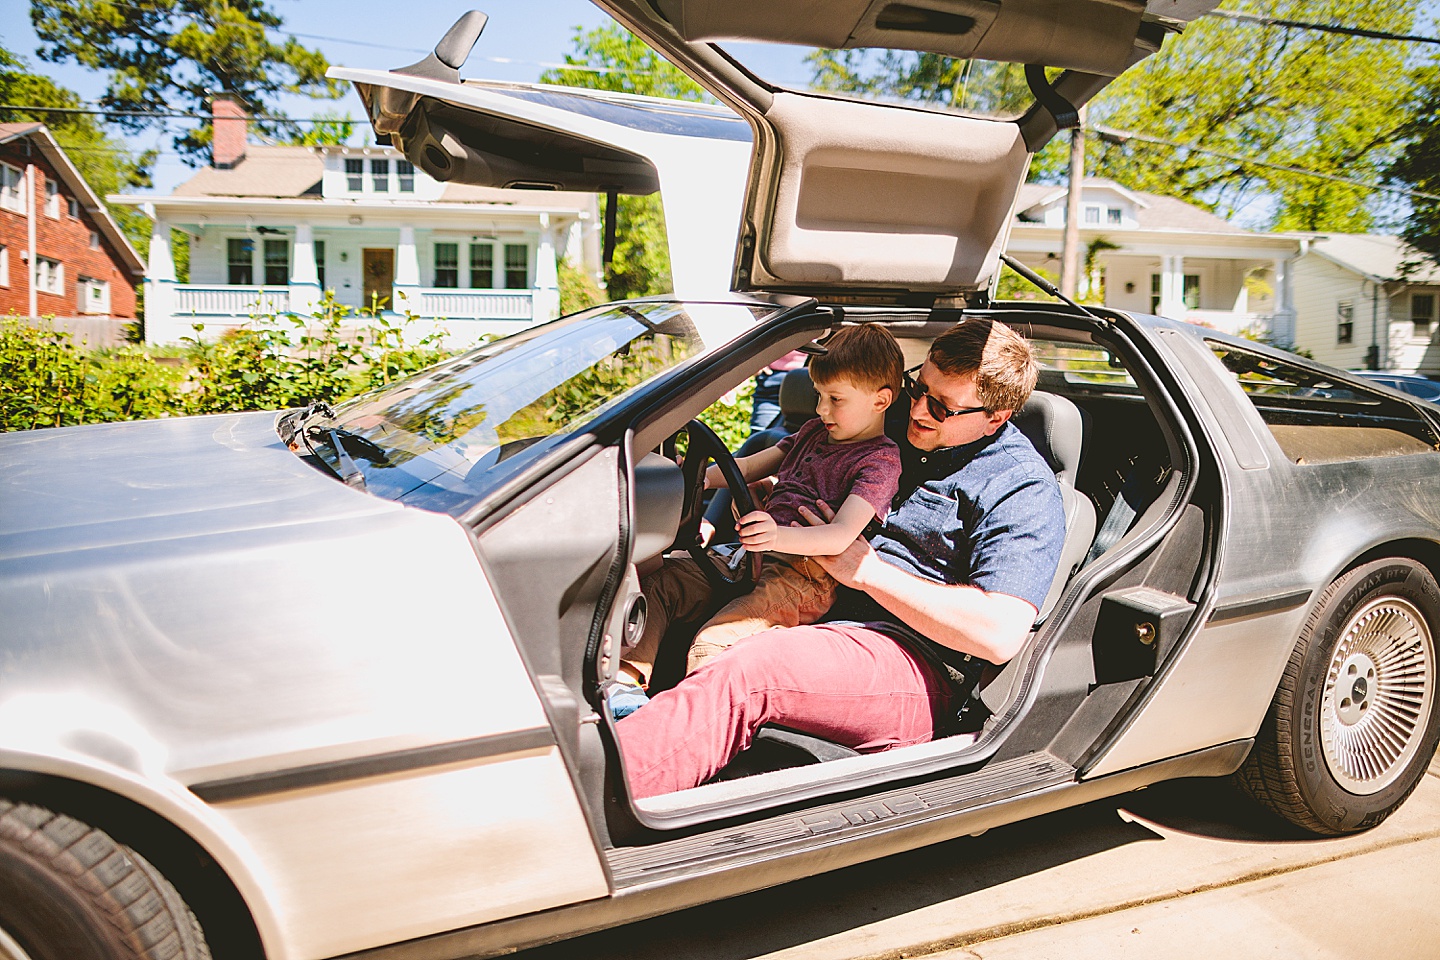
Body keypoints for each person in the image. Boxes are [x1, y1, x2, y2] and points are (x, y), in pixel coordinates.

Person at [615, 318, 1067, 798]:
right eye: (918, 388)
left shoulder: (1021, 488)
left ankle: (602, 797)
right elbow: (796, 463)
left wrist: (868, 573)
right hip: (805, 592)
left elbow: (998, 634)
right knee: (640, 589)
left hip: (908, 656)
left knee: (750, 666)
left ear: (995, 417)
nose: (917, 410)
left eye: (941, 406)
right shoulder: (885, 422)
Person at [615, 324, 906, 709]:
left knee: (716, 642)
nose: (821, 409)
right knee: (657, 583)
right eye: (819, 395)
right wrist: (692, 474)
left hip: (800, 578)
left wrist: (775, 536)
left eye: (835, 399)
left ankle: (689, 723)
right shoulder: (812, 432)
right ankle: (622, 690)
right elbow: (750, 466)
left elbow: (840, 535)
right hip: (748, 556)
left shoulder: (880, 461)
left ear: (880, 401)